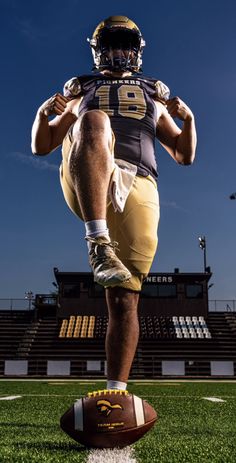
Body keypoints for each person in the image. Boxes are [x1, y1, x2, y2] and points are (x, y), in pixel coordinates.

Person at [31, 15, 197, 391]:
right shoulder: (81, 91)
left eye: (125, 45)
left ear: (136, 51)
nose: (118, 52)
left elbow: (184, 156)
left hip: (140, 184)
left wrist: (189, 121)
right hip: (87, 175)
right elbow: (41, 146)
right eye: (111, 45)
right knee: (95, 121)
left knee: (124, 300)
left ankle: (115, 392)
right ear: (98, 51)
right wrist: (45, 115)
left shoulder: (154, 96)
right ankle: (97, 239)